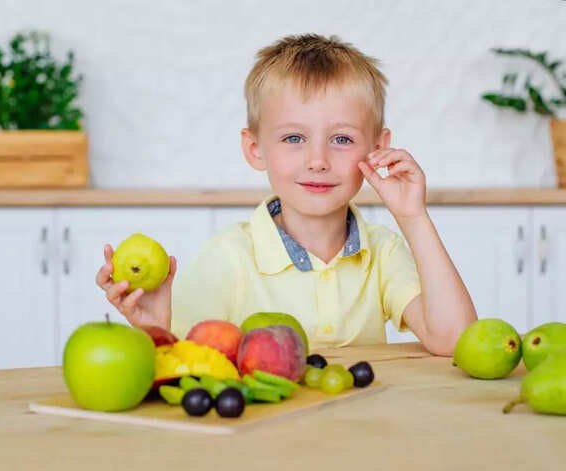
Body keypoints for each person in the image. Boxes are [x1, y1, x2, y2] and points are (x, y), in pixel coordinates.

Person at [96, 34, 477, 356]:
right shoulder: (228, 258)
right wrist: (157, 327)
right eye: (294, 138)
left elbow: (456, 340)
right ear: (255, 148)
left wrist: (413, 217)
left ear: (378, 147)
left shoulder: (383, 251)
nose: (318, 160)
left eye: (341, 139)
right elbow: (188, 364)